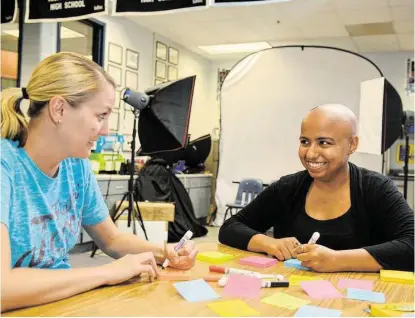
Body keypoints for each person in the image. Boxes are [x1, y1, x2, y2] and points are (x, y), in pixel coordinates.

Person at [0, 52, 198, 312]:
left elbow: (112, 240)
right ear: (59, 109)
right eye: (100, 115)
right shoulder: (6, 166)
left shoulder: (75, 164)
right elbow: (3, 289)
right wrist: (106, 273)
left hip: (61, 304)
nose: (105, 130)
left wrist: (165, 251)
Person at [219, 104, 414, 273]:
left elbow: (411, 243)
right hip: (293, 297)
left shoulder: (375, 188)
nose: (311, 153)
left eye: (324, 143)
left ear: (352, 144)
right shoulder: (287, 188)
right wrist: (270, 243)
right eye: (305, 142)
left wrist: (337, 260)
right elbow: (230, 228)